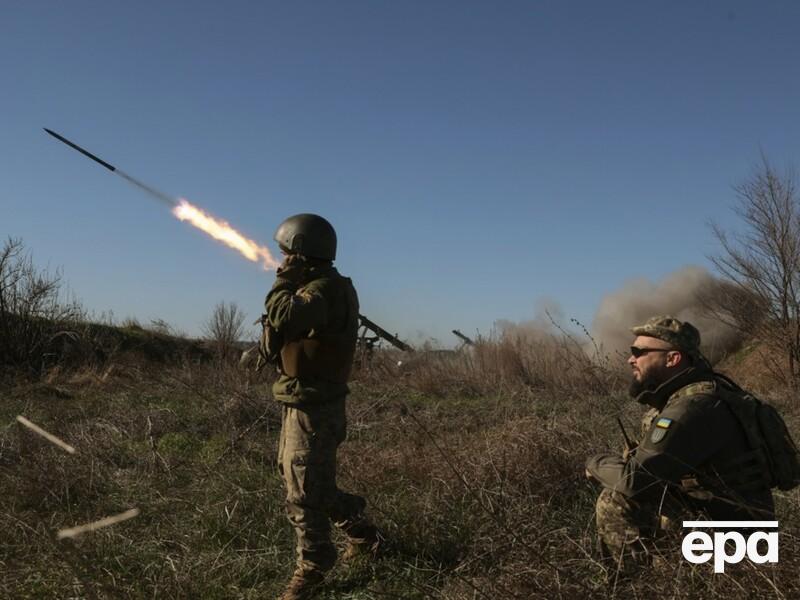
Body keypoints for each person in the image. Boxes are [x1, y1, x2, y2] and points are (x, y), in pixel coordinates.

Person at [585, 316, 775, 570]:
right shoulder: (705, 395)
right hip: (740, 529)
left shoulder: (694, 408)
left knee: (615, 499)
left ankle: (635, 588)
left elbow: (635, 481)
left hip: (736, 543)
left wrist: (594, 462)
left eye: (639, 352)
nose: (631, 359)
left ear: (673, 358)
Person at [260, 214, 380, 600]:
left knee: (302, 492)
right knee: (309, 483)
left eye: (286, 253)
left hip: (316, 406)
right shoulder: (317, 286)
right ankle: (364, 534)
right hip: (302, 399)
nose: (280, 260)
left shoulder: (323, 290)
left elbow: (285, 315)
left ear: (300, 252)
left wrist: (282, 281)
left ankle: (312, 570)